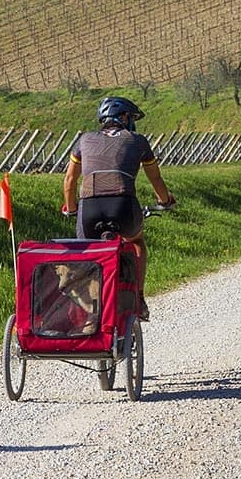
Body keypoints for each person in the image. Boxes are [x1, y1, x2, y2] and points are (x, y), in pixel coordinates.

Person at [61, 96, 174, 317]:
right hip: (123, 206)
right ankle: (138, 299)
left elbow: (69, 181)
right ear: (122, 117)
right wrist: (165, 200)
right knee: (137, 242)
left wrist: (71, 208)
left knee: (89, 254)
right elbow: (156, 179)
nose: (133, 122)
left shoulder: (84, 140)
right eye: (131, 117)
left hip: (89, 209)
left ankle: (86, 311)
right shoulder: (138, 140)